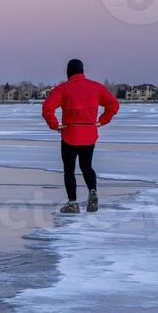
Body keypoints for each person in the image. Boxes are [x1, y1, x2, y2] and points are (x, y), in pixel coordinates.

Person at [42, 59, 120, 214]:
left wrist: (55, 125)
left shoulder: (63, 89)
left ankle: (73, 203)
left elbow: (47, 108)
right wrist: (102, 121)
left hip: (70, 134)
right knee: (87, 167)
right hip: (89, 134)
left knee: (69, 170)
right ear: (82, 71)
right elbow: (114, 105)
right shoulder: (96, 87)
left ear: (68, 72)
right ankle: (92, 191)